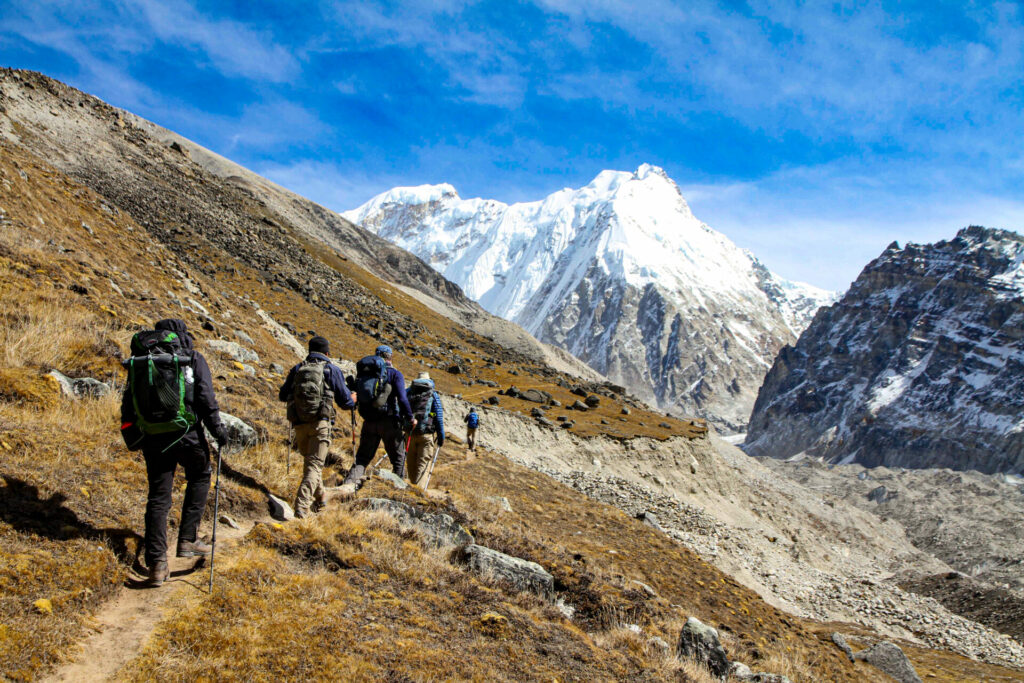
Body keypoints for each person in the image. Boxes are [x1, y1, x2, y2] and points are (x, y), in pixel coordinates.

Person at [121, 318, 228, 587]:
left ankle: (157, 564)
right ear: (182, 335)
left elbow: (129, 400)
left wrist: (132, 435)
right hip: (187, 433)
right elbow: (205, 397)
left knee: (158, 496)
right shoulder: (191, 357)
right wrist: (218, 431)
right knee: (200, 476)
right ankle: (187, 540)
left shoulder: (142, 361)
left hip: (153, 436)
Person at [278, 336, 356, 518]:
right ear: (327, 353)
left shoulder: (298, 368)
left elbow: (283, 395)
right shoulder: (331, 369)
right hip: (320, 424)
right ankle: (302, 507)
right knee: (314, 466)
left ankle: (321, 498)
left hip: (299, 425)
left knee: (312, 465)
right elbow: (345, 401)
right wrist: (353, 399)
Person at [344, 345, 414, 484]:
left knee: (362, 458)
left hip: (369, 421)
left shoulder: (365, 373)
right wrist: (410, 417)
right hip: (389, 421)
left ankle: (349, 485)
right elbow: (402, 398)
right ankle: (397, 491)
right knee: (398, 459)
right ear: (390, 357)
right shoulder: (395, 374)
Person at [405, 372, 445, 487]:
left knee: (411, 464)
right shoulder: (432, 394)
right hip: (426, 435)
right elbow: (439, 416)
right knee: (423, 465)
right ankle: (418, 493)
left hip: (410, 433)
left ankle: (411, 489)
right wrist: (441, 436)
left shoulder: (408, 391)